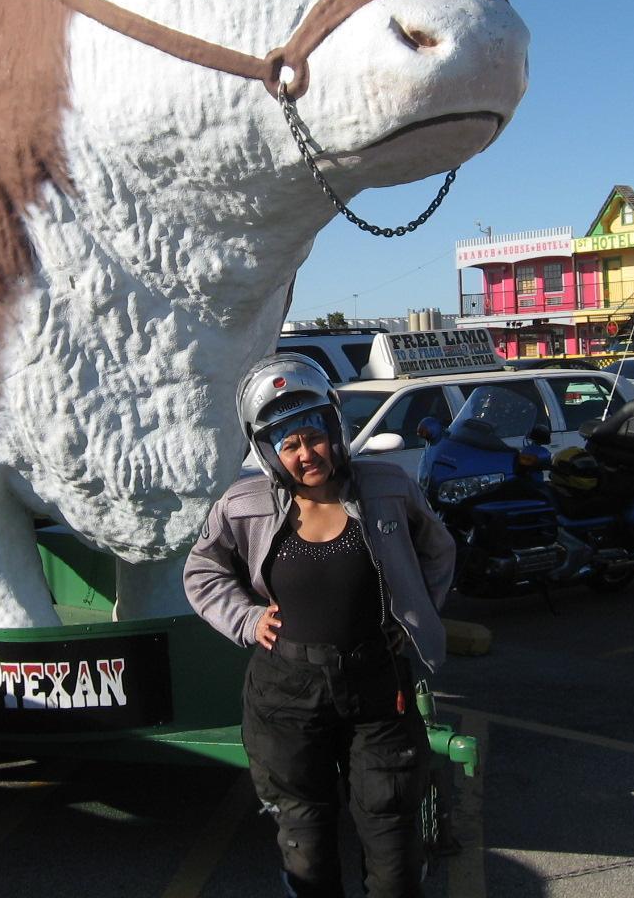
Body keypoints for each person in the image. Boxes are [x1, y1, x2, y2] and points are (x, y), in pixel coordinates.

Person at [184, 353, 456, 898]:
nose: (306, 454)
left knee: (393, 840)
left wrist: (415, 616)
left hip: (377, 686)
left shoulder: (387, 488)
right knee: (306, 844)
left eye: (313, 436)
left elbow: (437, 550)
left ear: (334, 428)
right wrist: (246, 618)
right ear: (268, 452)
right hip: (286, 694)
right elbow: (203, 571)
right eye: (288, 444)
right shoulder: (244, 505)